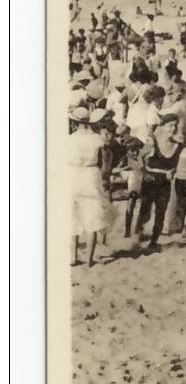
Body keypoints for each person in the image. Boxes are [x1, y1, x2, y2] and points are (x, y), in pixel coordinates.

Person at [70, 108, 115, 267]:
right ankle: (89, 260)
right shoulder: (97, 139)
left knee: (73, 217)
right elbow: (106, 158)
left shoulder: (68, 139)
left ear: (75, 123)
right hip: (91, 175)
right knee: (93, 218)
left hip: (73, 175)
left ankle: (73, 257)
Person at [138, 113, 183, 253]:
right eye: (170, 125)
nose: (173, 129)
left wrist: (173, 171)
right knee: (145, 210)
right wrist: (145, 173)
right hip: (150, 180)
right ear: (162, 127)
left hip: (165, 182)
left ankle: (154, 241)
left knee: (161, 211)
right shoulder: (153, 141)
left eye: (175, 126)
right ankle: (139, 238)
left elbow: (178, 164)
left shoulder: (178, 145)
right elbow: (138, 157)